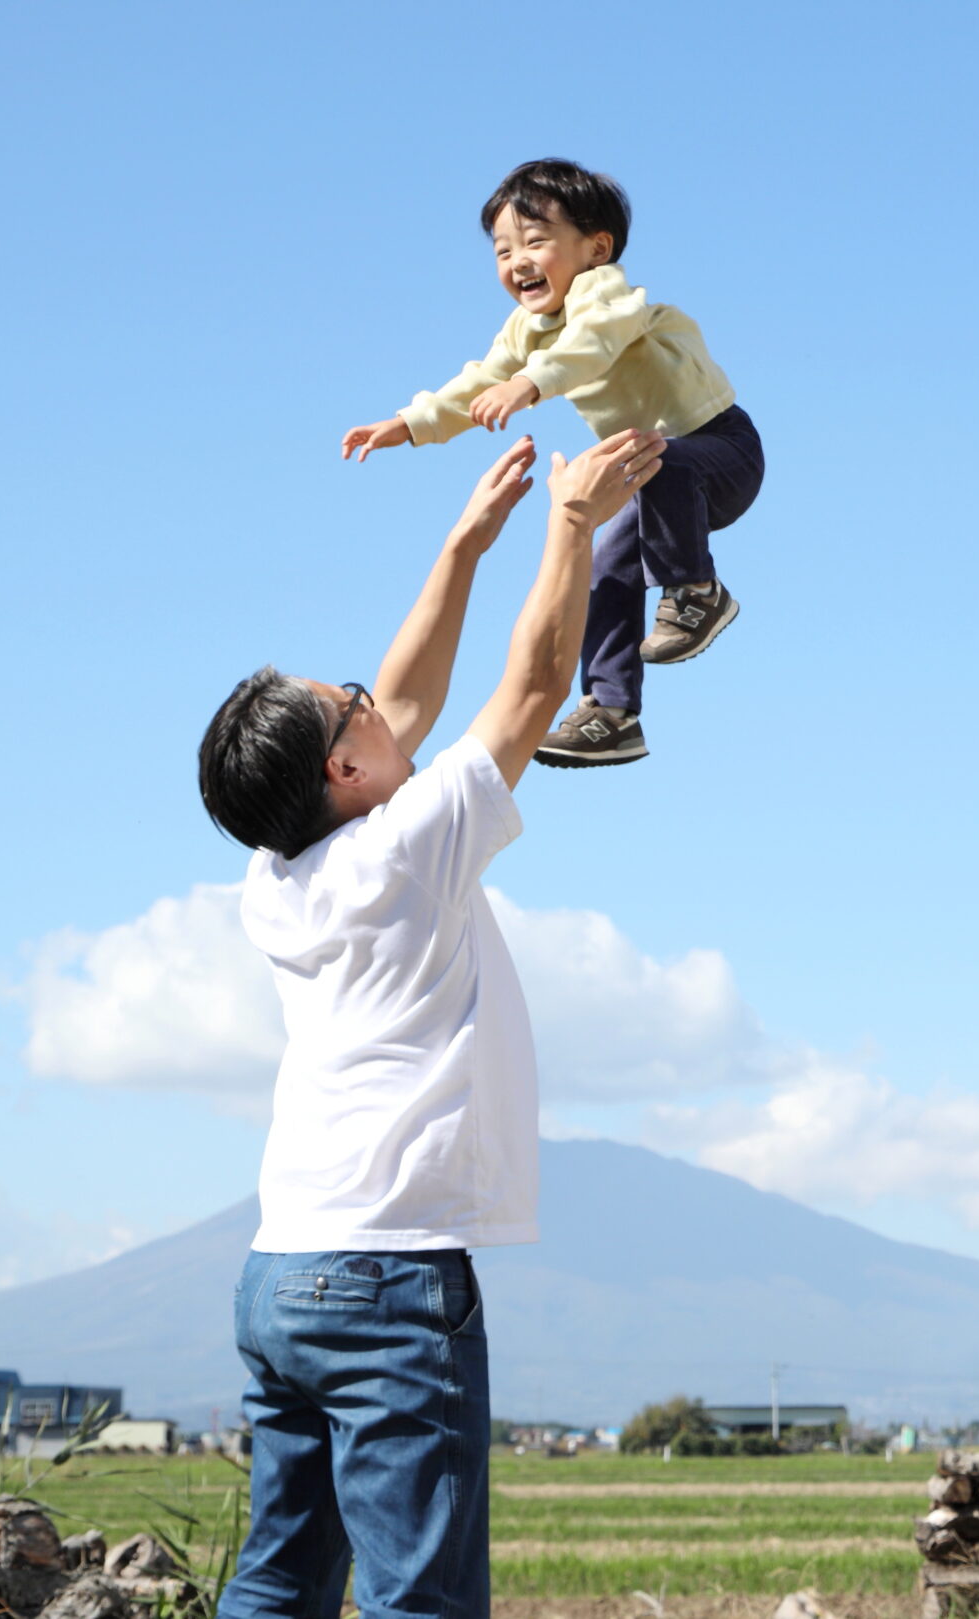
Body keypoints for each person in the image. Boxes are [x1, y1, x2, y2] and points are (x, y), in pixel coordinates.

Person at [195, 424, 665, 1619]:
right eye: (348, 708)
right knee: (422, 1600)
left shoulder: (280, 873)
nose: (371, 698)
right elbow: (533, 687)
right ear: (346, 774)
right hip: (388, 1277)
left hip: (284, 1269)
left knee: (281, 1580)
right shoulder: (407, 852)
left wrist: (465, 542)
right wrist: (570, 523)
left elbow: (399, 697)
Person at [340, 158, 763, 769]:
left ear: (596, 247)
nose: (517, 262)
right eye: (502, 250)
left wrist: (531, 386)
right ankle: (611, 712)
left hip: (721, 450)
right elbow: (480, 380)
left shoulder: (604, 292)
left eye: (536, 242)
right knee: (600, 566)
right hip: (654, 480)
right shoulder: (526, 329)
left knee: (657, 458)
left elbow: (592, 345)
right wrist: (410, 424)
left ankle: (698, 590)